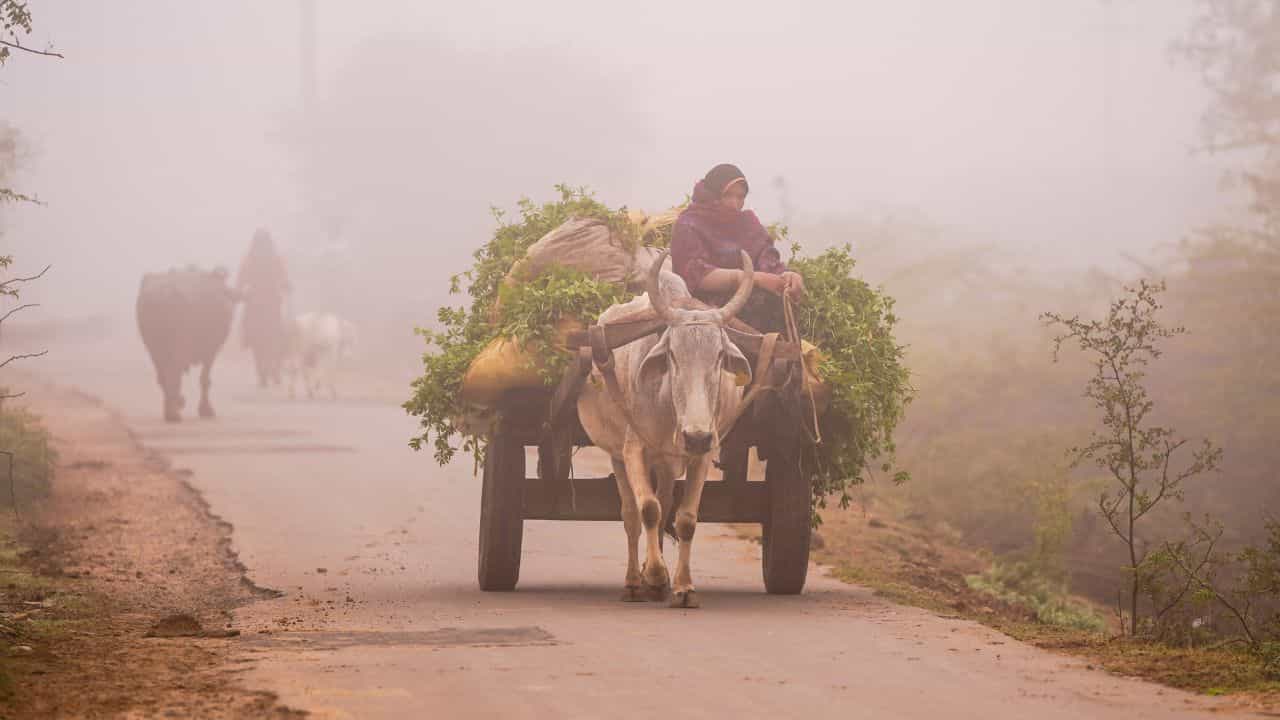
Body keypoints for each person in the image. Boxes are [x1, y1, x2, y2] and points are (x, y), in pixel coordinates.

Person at [670, 163, 805, 333]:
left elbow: (767, 259)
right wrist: (753, 278)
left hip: (749, 300)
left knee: (779, 304)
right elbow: (695, 275)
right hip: (704, 309)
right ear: (712, 194)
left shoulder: (748, 224)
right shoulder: (688, 225)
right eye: (728, 195)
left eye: (740, 197)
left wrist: (786, 276)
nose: (735, 204)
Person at [236, 228, 292, 387]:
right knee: (276, 336)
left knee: (255, 339)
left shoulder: (249, 259)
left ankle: (263, 373)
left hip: (255, 303)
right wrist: (286, 286)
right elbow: (283, 279)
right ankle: (273, 370)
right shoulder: (276, 259)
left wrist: (238, 293)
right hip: (272, 303)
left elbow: (241, 280)